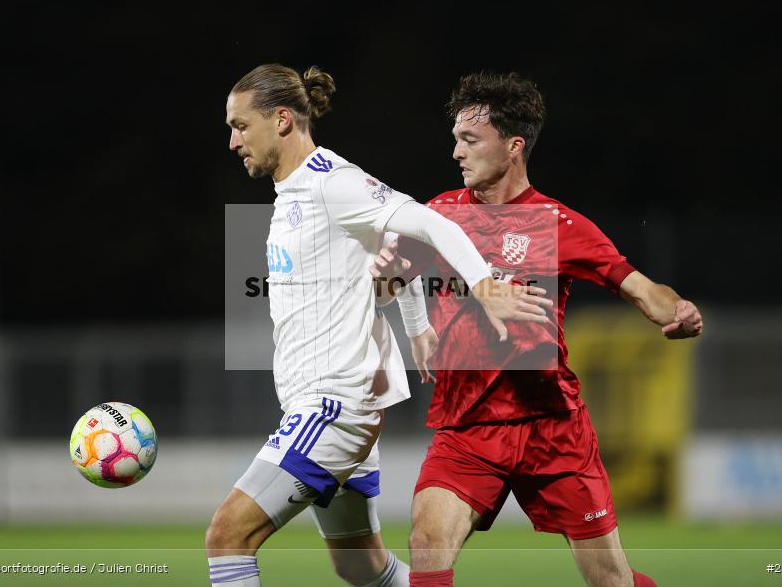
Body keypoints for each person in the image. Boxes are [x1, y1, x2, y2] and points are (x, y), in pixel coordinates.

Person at [207, 64, 550, 587]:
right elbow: (390, 249)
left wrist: (485, 287)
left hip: (333, 407)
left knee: (228, 537)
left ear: (281, 120)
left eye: (240, 126)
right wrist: (416, 326)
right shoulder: (295, 193)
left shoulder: (332, 183)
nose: (233, 142)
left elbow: (430, 224)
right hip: (322, 404)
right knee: (360, 566)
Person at [370, 72, 703, 587]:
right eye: (456, 139)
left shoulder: (558, 224)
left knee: (610, 579)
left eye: (470, 139)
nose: (456, 152)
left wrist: (678, 311)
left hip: (551, 427)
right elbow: (385, 289)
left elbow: (641, 290)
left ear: (513, 146)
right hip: (468, 424)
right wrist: (380, 277)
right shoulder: (439, 216)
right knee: (428, 540)